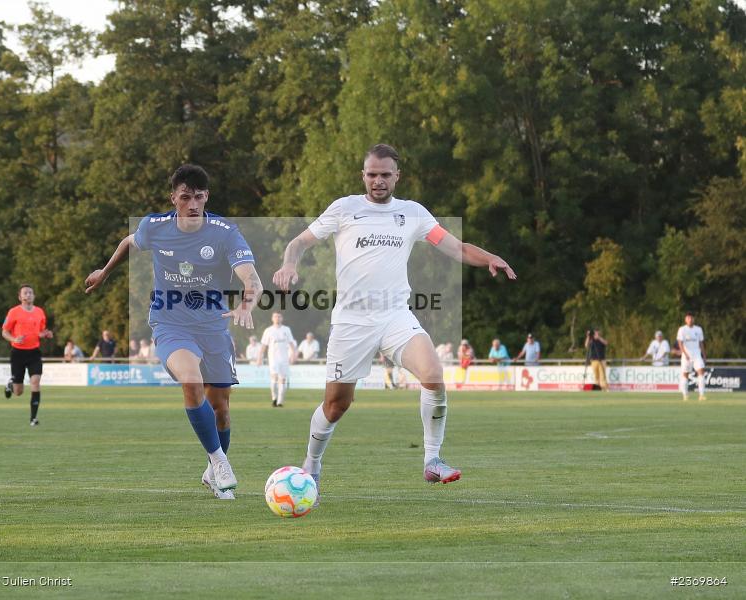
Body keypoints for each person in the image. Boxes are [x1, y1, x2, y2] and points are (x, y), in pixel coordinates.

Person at [272, 143, 516, 502]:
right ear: (363, 176)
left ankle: (432, 459)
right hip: (352, 322)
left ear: (397, 176)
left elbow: (456, 248)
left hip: (395, 316)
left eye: (385, 174)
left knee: (433, 374)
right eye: (372, 174)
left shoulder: (413, 214)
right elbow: (299, 242)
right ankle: (312, 466)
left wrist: (489, 257)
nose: (378, 181)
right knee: (337, 404)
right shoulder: (344, 209)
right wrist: (289, 263)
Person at [84, 164, 262, 501]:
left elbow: (251, 278)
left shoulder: (225, 233)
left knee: (221, 407)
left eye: (198, 197)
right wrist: (105, 272)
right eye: (185, 197)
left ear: (206, 197)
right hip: (170, 323)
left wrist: (246, 304)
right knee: (191, 380)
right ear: (174, 198)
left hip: (213, 326)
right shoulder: (155, 227)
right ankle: (220, 463)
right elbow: (128, 242)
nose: (193, 203)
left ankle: (213, 473)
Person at [1, 284, 53, 426]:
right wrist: (14, 339)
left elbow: (41, 331)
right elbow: (4, 332)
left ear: (34, 296)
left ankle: (33, 418)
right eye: (25, 293)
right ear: (20, 297)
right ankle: (10, 385)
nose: (28, 295)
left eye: (30, 292)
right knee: (18, 392)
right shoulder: (13, 312)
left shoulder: (40, 312)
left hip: (34, 353)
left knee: (35, 382)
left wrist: (46, 334)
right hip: (18, 353)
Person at [260, 312, 297, 407]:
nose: (277, 318)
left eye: (279, 316)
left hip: (284, 359)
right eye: (275, 316)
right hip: (273, 358)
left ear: (282, 318)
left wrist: (293, 355)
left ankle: (280, 401)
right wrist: (260, 357)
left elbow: (291, 343)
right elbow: (263, 345)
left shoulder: (286, 330)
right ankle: (274, 398)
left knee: (283, 379)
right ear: (272, 318)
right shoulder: (268, 330)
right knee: (274, 378)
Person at [676, 312, 707, 402]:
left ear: (693, 319)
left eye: (691, 318)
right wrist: (685, 354)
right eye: (688, 318)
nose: (690, 319)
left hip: (697, 354)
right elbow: (680, 343)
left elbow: (701, 343)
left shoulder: (698, 329)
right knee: (685, 374)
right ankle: (685, 395)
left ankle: (701, 395)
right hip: (686, 355)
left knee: (701, 371)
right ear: (685, 320)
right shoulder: (682, 329)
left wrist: (704, 355)